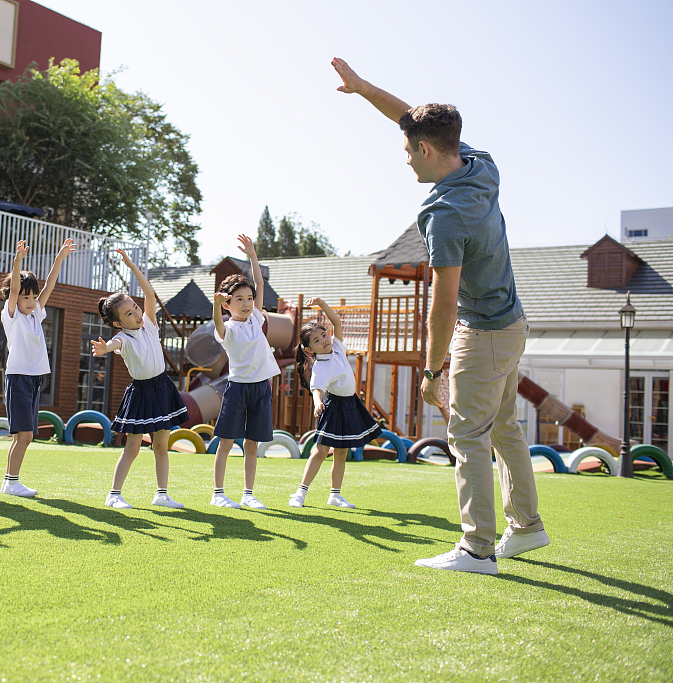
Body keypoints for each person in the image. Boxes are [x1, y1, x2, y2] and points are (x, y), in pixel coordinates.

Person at [332, 57, 549, 574]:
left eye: (408, 151)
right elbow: (412, 117)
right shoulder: (480, 165)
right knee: (504, 428)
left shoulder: (442, 213)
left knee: (467, 435)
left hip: (484, 331)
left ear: (426, 150)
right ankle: (526, 527)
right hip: (513, 323)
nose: (406, 160)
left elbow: (444, 303)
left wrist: (432, 373)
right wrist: (363, 89)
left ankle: (477, 549)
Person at [93, 249, 188, 510]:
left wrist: (133, 266)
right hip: (141, 392)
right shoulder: (122, 338)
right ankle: (114, 495)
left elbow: (149, 294)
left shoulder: (148, 323)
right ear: (117, 323)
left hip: (163, 387)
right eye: (128, 314)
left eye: (135, 308)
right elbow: (113, 344)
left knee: (161, 445)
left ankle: (162, 495)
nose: (136, 314)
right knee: (133, 447)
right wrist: (104, 348)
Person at [0, 238, 75, 498]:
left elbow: (50, 285)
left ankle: (10, 482)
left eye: (33, 296)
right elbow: (13, 290)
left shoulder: (36, 314)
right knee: (24, 435)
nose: (31, 301)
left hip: (34, 379)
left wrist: (59, 258)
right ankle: (11, 483)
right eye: (26, 297)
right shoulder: (11, 316)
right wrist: (17, 261)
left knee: (25, 436)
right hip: (18, 378)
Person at [210, 234, 281, 510]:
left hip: (261, 388)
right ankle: (218, 493)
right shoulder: (228, 329)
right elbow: (218, 324)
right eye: (239, 299)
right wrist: (215, 305)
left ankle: (248, 494)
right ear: (227, 305)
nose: (247, 303)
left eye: (249, 298)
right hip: (237, 389)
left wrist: (252, 255)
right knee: (226, 442)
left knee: (252, 444)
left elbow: (260, 283)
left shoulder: (256, 319)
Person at [289, 297, 380, 509]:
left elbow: (336, 322)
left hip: (351, 404)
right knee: (321, 451)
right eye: (317, 341)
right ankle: (300, 493)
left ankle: (335, 495)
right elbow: (317, 389)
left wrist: (321, 304)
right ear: (309, 350)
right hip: (334, 407)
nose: (324, 340)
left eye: (323, 335)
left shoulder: (337, 347)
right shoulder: (320, 366)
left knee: (342, 452)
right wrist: (317, 403)